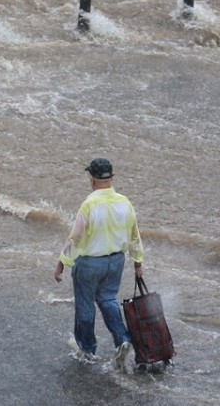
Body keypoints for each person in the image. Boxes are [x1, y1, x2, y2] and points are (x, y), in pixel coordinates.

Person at [54, 158, 144, 371]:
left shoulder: (90, 204)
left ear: (92, 179)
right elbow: (134, 235)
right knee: (108, 299)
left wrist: (61, 263)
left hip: (90, 263)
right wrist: (138, 263)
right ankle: (122, 339)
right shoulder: (125, 202)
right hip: (116, 261)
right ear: (112, 178)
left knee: (85, 305)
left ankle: (87, 349)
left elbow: (74, 238)